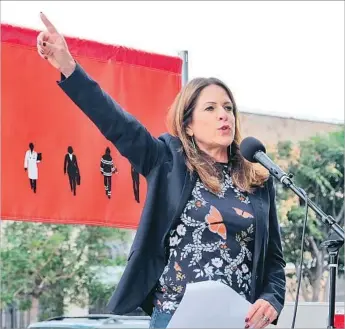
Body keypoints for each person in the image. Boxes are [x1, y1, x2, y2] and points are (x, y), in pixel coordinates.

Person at [37, 13, 286, 329]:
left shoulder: (257, 180)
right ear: (189, 125)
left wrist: (271, 299)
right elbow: (117, 123)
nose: (224, 115)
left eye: (228, 108)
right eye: (210, 108)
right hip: (173, 318)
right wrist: (68, 67)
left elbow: (275, 263)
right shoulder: (167, 160)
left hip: (239, 322)